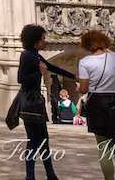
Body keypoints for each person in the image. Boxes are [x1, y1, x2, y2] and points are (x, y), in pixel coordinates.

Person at [16, 24, 76, 180]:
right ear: (35, 41)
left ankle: (50, 174)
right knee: (35, 141)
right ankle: (31, 176)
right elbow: (21, 79)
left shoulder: (35, 55)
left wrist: (73, 76)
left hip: (36, 103)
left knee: (43, 140)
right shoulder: (27, 55)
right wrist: (39, 73)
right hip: (30, 103)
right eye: (43, 38)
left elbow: (51, 67)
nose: (45, 41)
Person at [77, 30, 115, 180]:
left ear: (87, 45)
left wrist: (79, 87)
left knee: (104, 148)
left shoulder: (85, 62)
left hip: (96, 103)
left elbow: (83, 89)